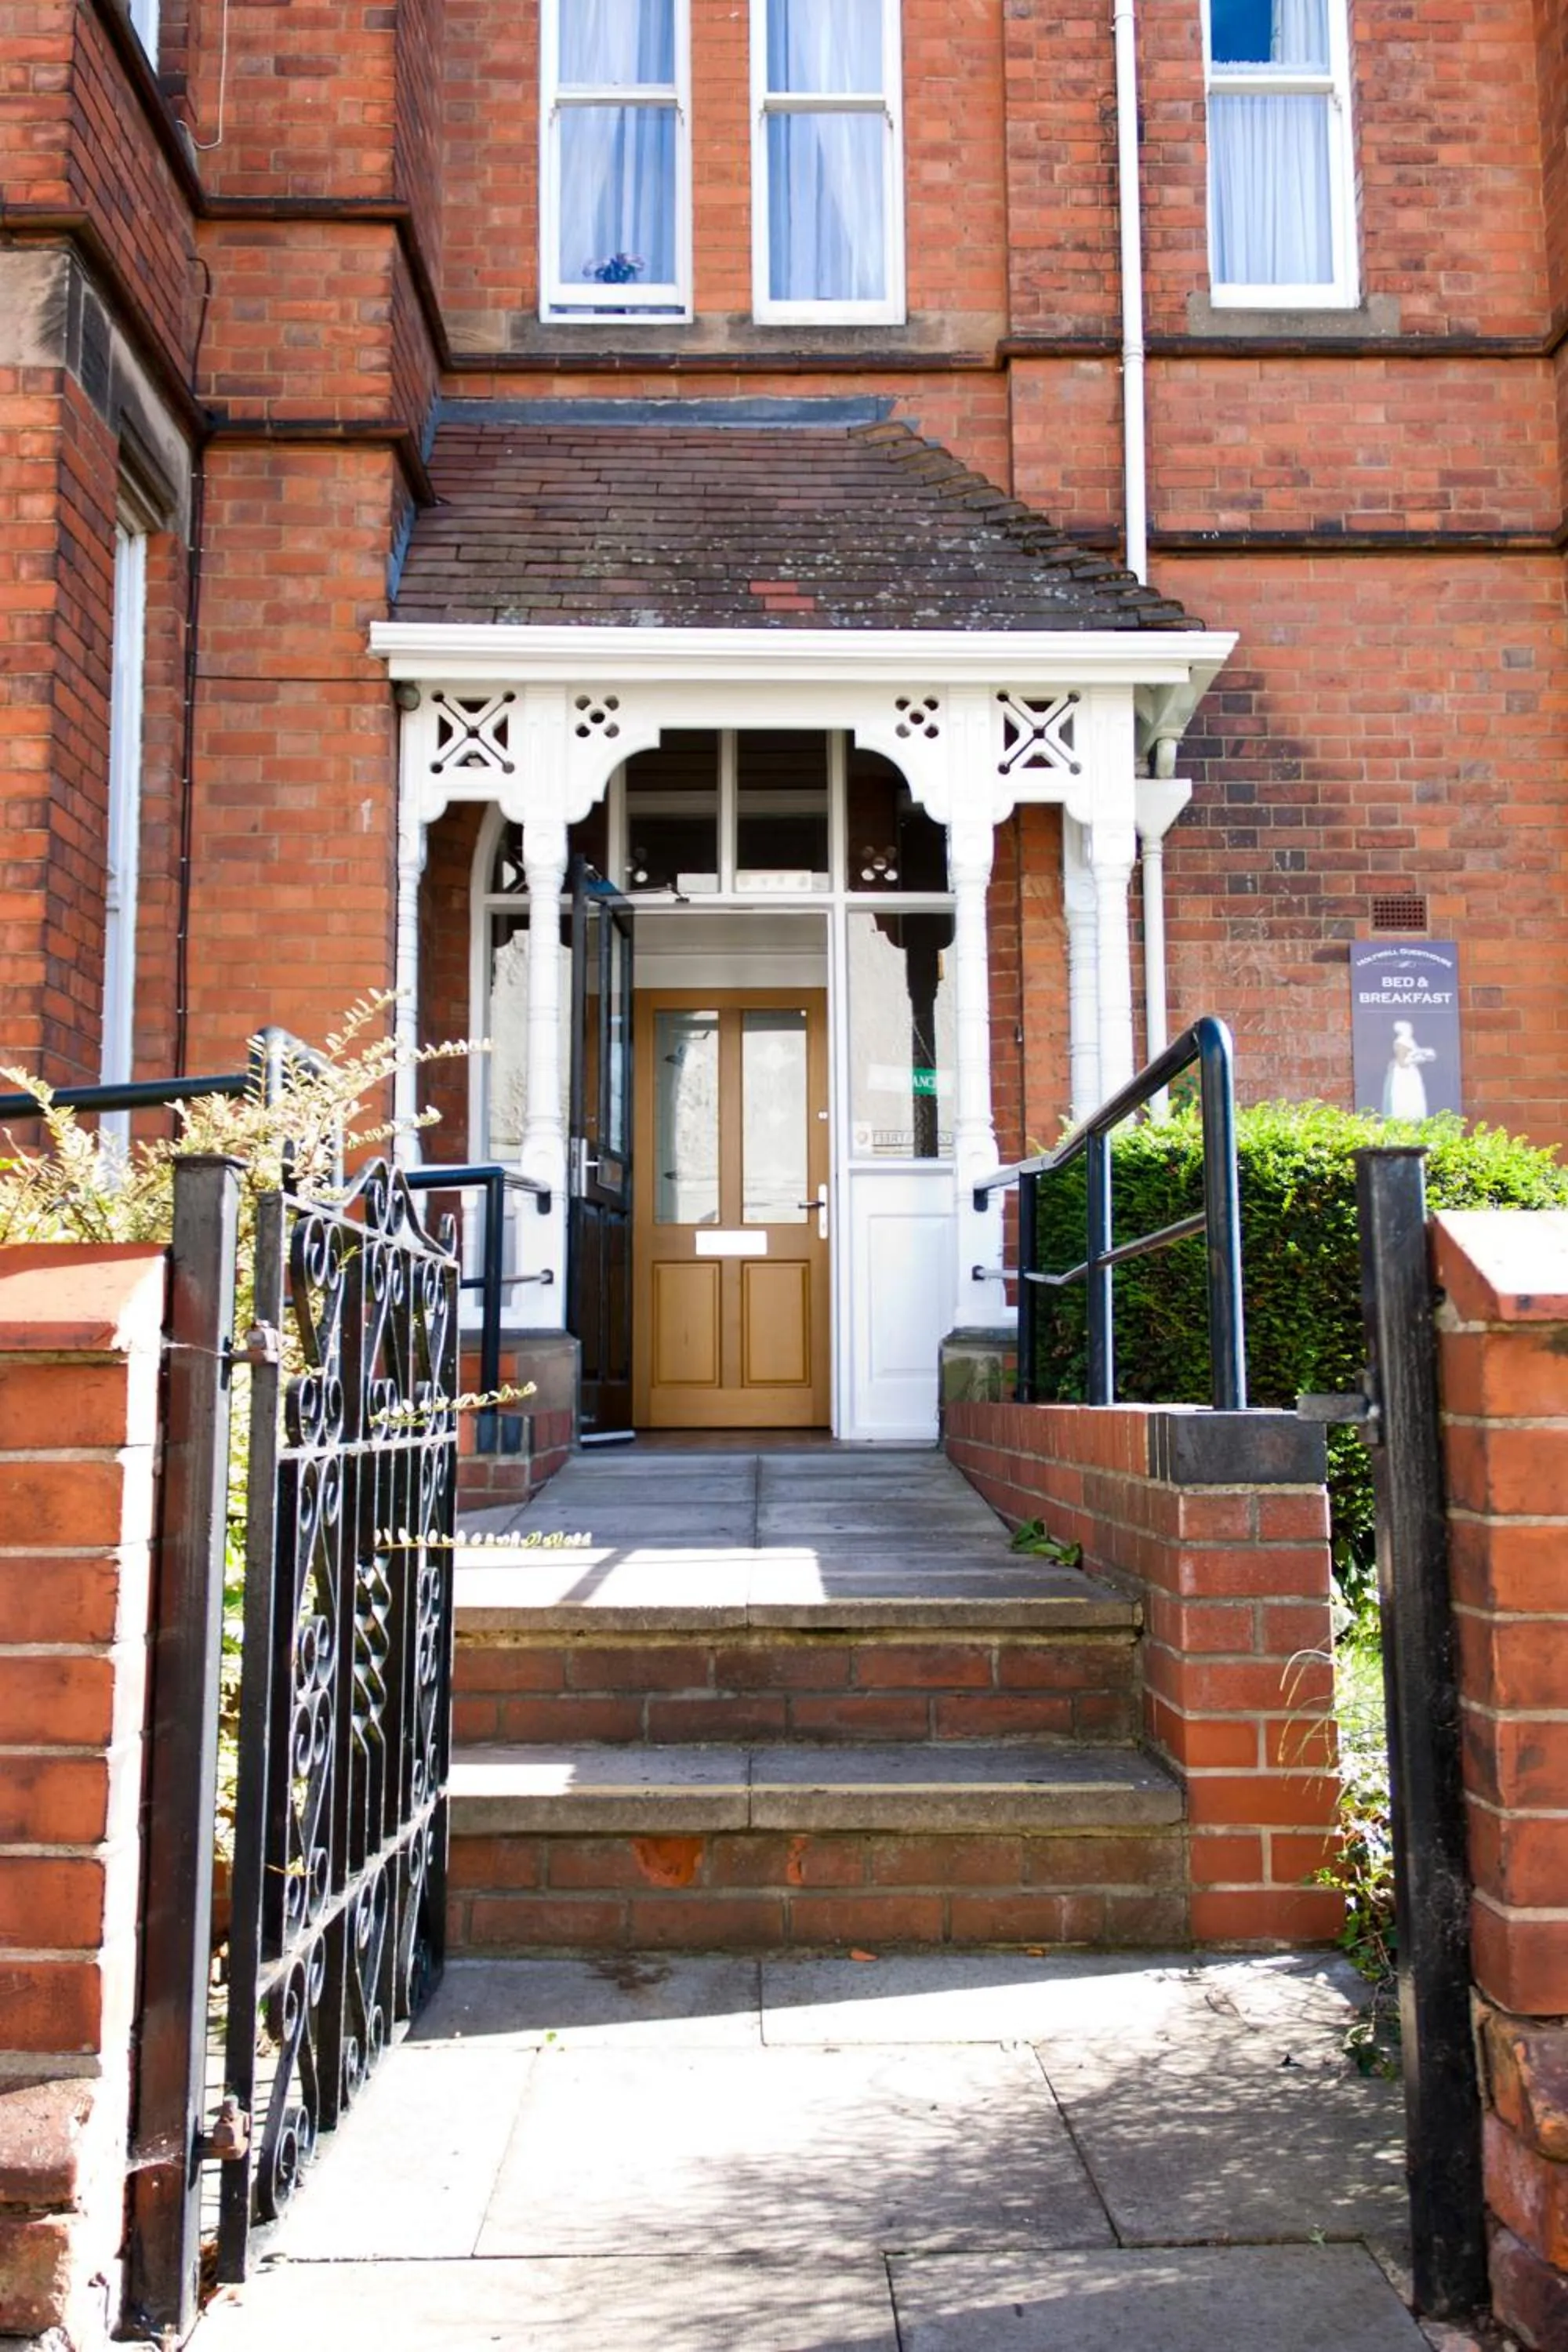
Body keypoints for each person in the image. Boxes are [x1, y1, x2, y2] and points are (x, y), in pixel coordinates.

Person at [1382, 1019, 1436, 1120]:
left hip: (1411, 1072)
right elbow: (1402, 1062)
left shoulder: (1409, 1040)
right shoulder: (1402, 1041)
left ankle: (1414, 1118)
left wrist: (1423, 1055)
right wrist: (1417, 1059)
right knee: (1406, 1096)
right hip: (1405, 1074)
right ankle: (1405, 1118)